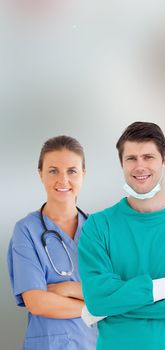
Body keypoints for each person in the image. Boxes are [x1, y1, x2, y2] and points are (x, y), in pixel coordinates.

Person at [78, 121, 165, 349]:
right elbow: (98, 298)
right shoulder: (98, 227)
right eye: (131, 158)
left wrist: (112, 303)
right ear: (121, 163)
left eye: (148, 157)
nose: (140, 166)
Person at [7, 135, 97, 349]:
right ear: (40, 174)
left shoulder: (99, 229)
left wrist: (68, 288)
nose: (63, 180)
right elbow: (37, 303)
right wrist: (95, 308)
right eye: (53, 170)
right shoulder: (26, 230)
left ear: (83, 174)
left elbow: (115, 292)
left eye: (72, 171)